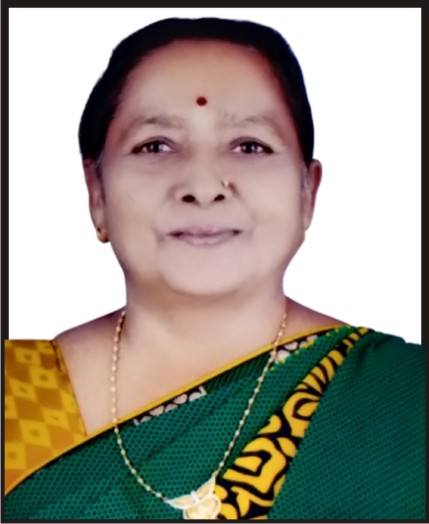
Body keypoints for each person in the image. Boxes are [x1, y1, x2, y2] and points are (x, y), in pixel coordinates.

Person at [4, 17, 424, 521]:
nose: (203, 187)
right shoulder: (16, 398)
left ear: (308, 192)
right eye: (155, 145)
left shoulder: (406, 400)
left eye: (250, 146)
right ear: (96, 191)